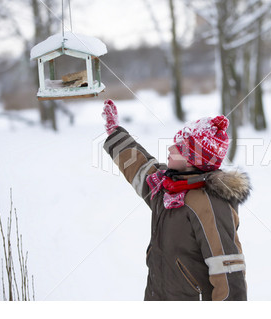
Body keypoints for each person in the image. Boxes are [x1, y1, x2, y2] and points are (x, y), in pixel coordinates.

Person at [102, 99, 251, 301]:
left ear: (194, 158)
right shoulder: (168, 188)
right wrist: (115, 134)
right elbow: (140, 168)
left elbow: (229, 272)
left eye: (180, 147)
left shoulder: (210, 204)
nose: (171, 147)